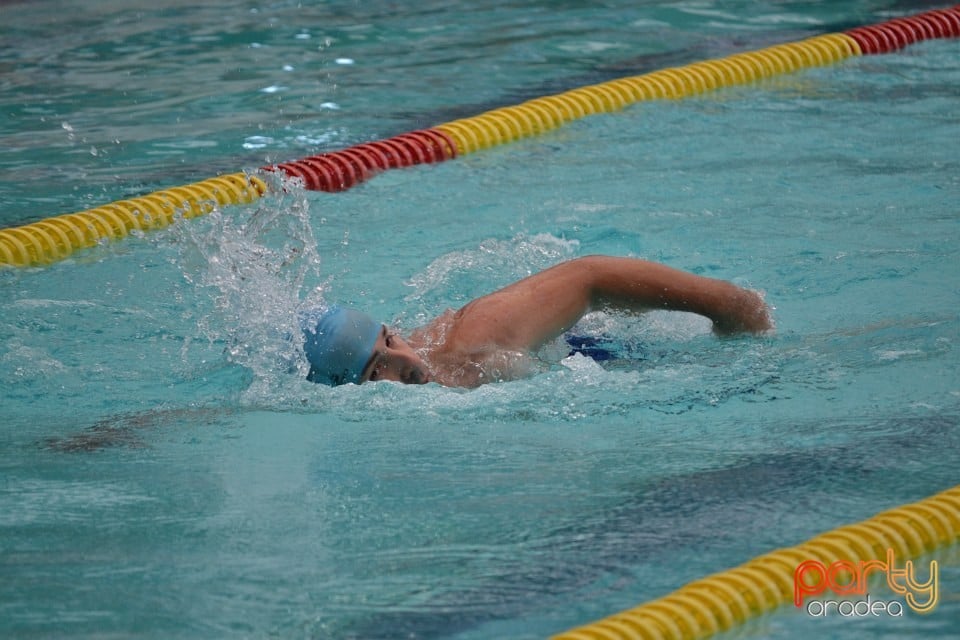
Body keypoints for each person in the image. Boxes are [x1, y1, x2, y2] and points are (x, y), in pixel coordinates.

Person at [302, 255, 773, 388]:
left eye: (390, 343)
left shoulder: (471, 341)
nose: (401, 365)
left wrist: (726, 304)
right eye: (373, 371)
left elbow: (588, 276)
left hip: (599, 356)